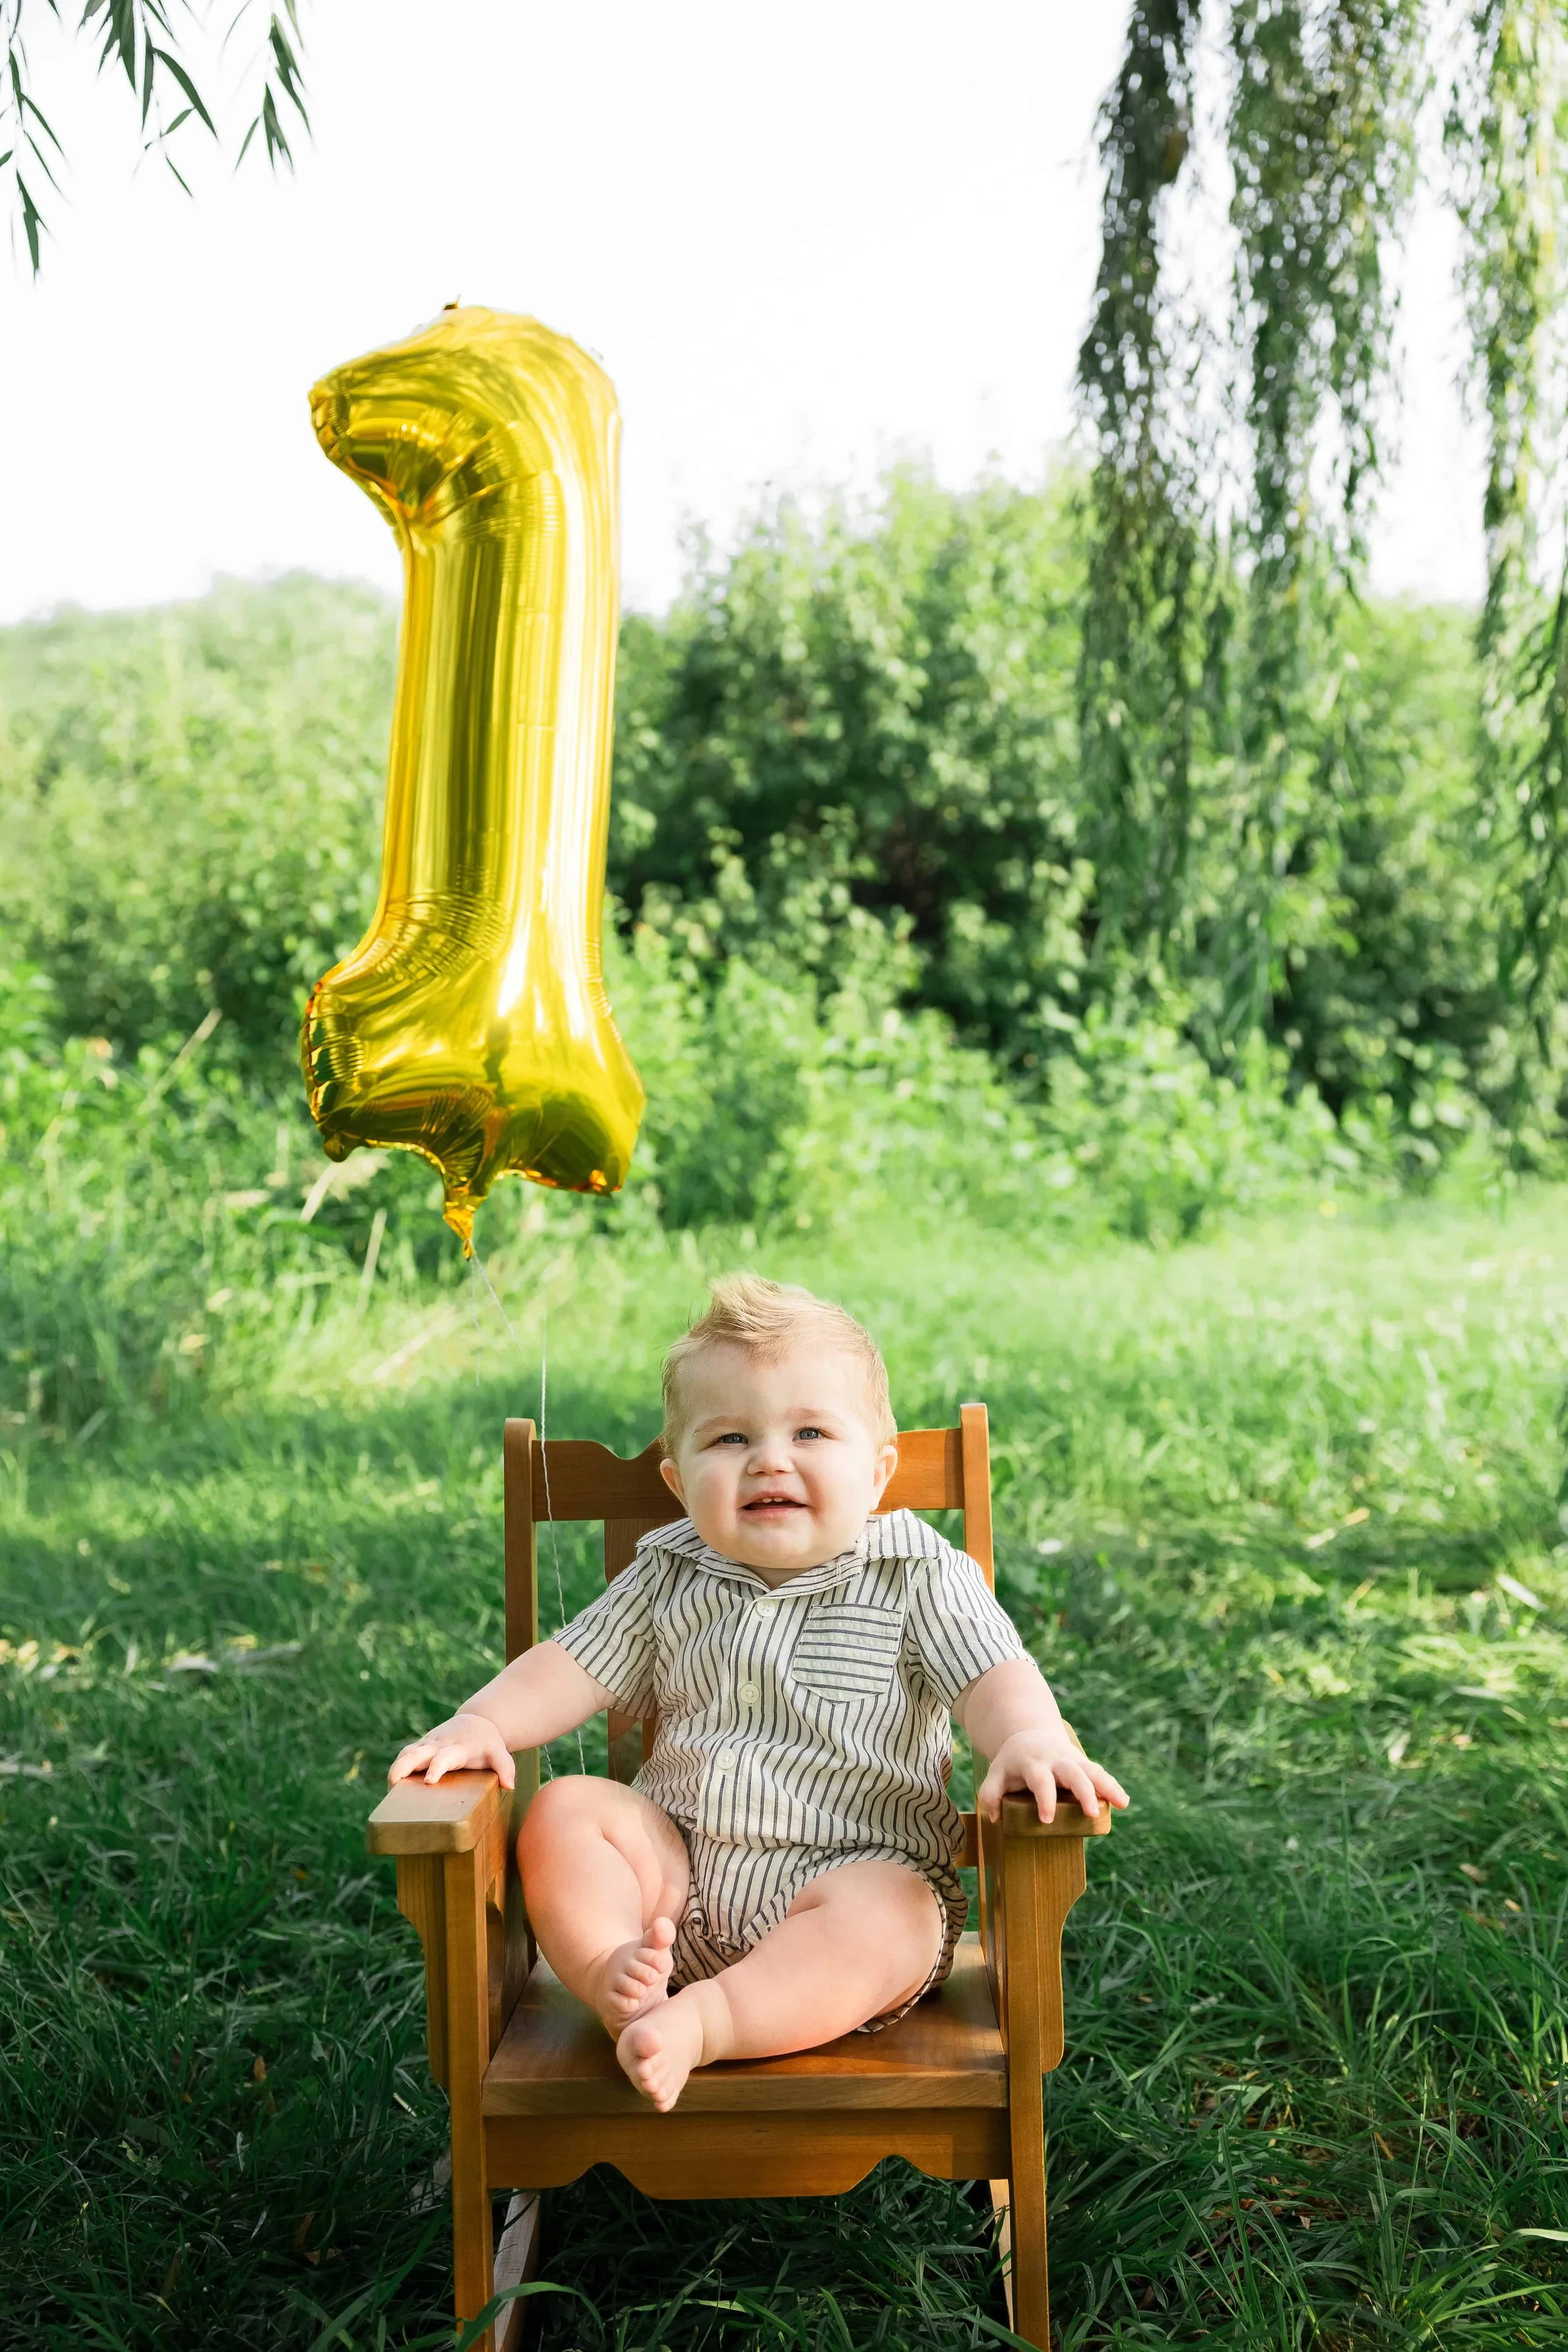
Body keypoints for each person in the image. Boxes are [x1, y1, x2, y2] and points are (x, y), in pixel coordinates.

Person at [388, 1276, 1129, 2111]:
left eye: (811, 1430)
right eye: (731, 1437)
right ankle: (613, 1973)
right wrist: (485, 1719)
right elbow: (569, 1664)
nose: (770, 1458)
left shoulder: (919, 1574)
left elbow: (994, 1676)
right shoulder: (667, 1573)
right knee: (567, 1807)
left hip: (849, 1894)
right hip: (676, 1897)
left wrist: (1031, 1737)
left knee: (892, 1911)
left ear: (878, 1471)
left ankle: (707, 2023)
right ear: (678, 1479)